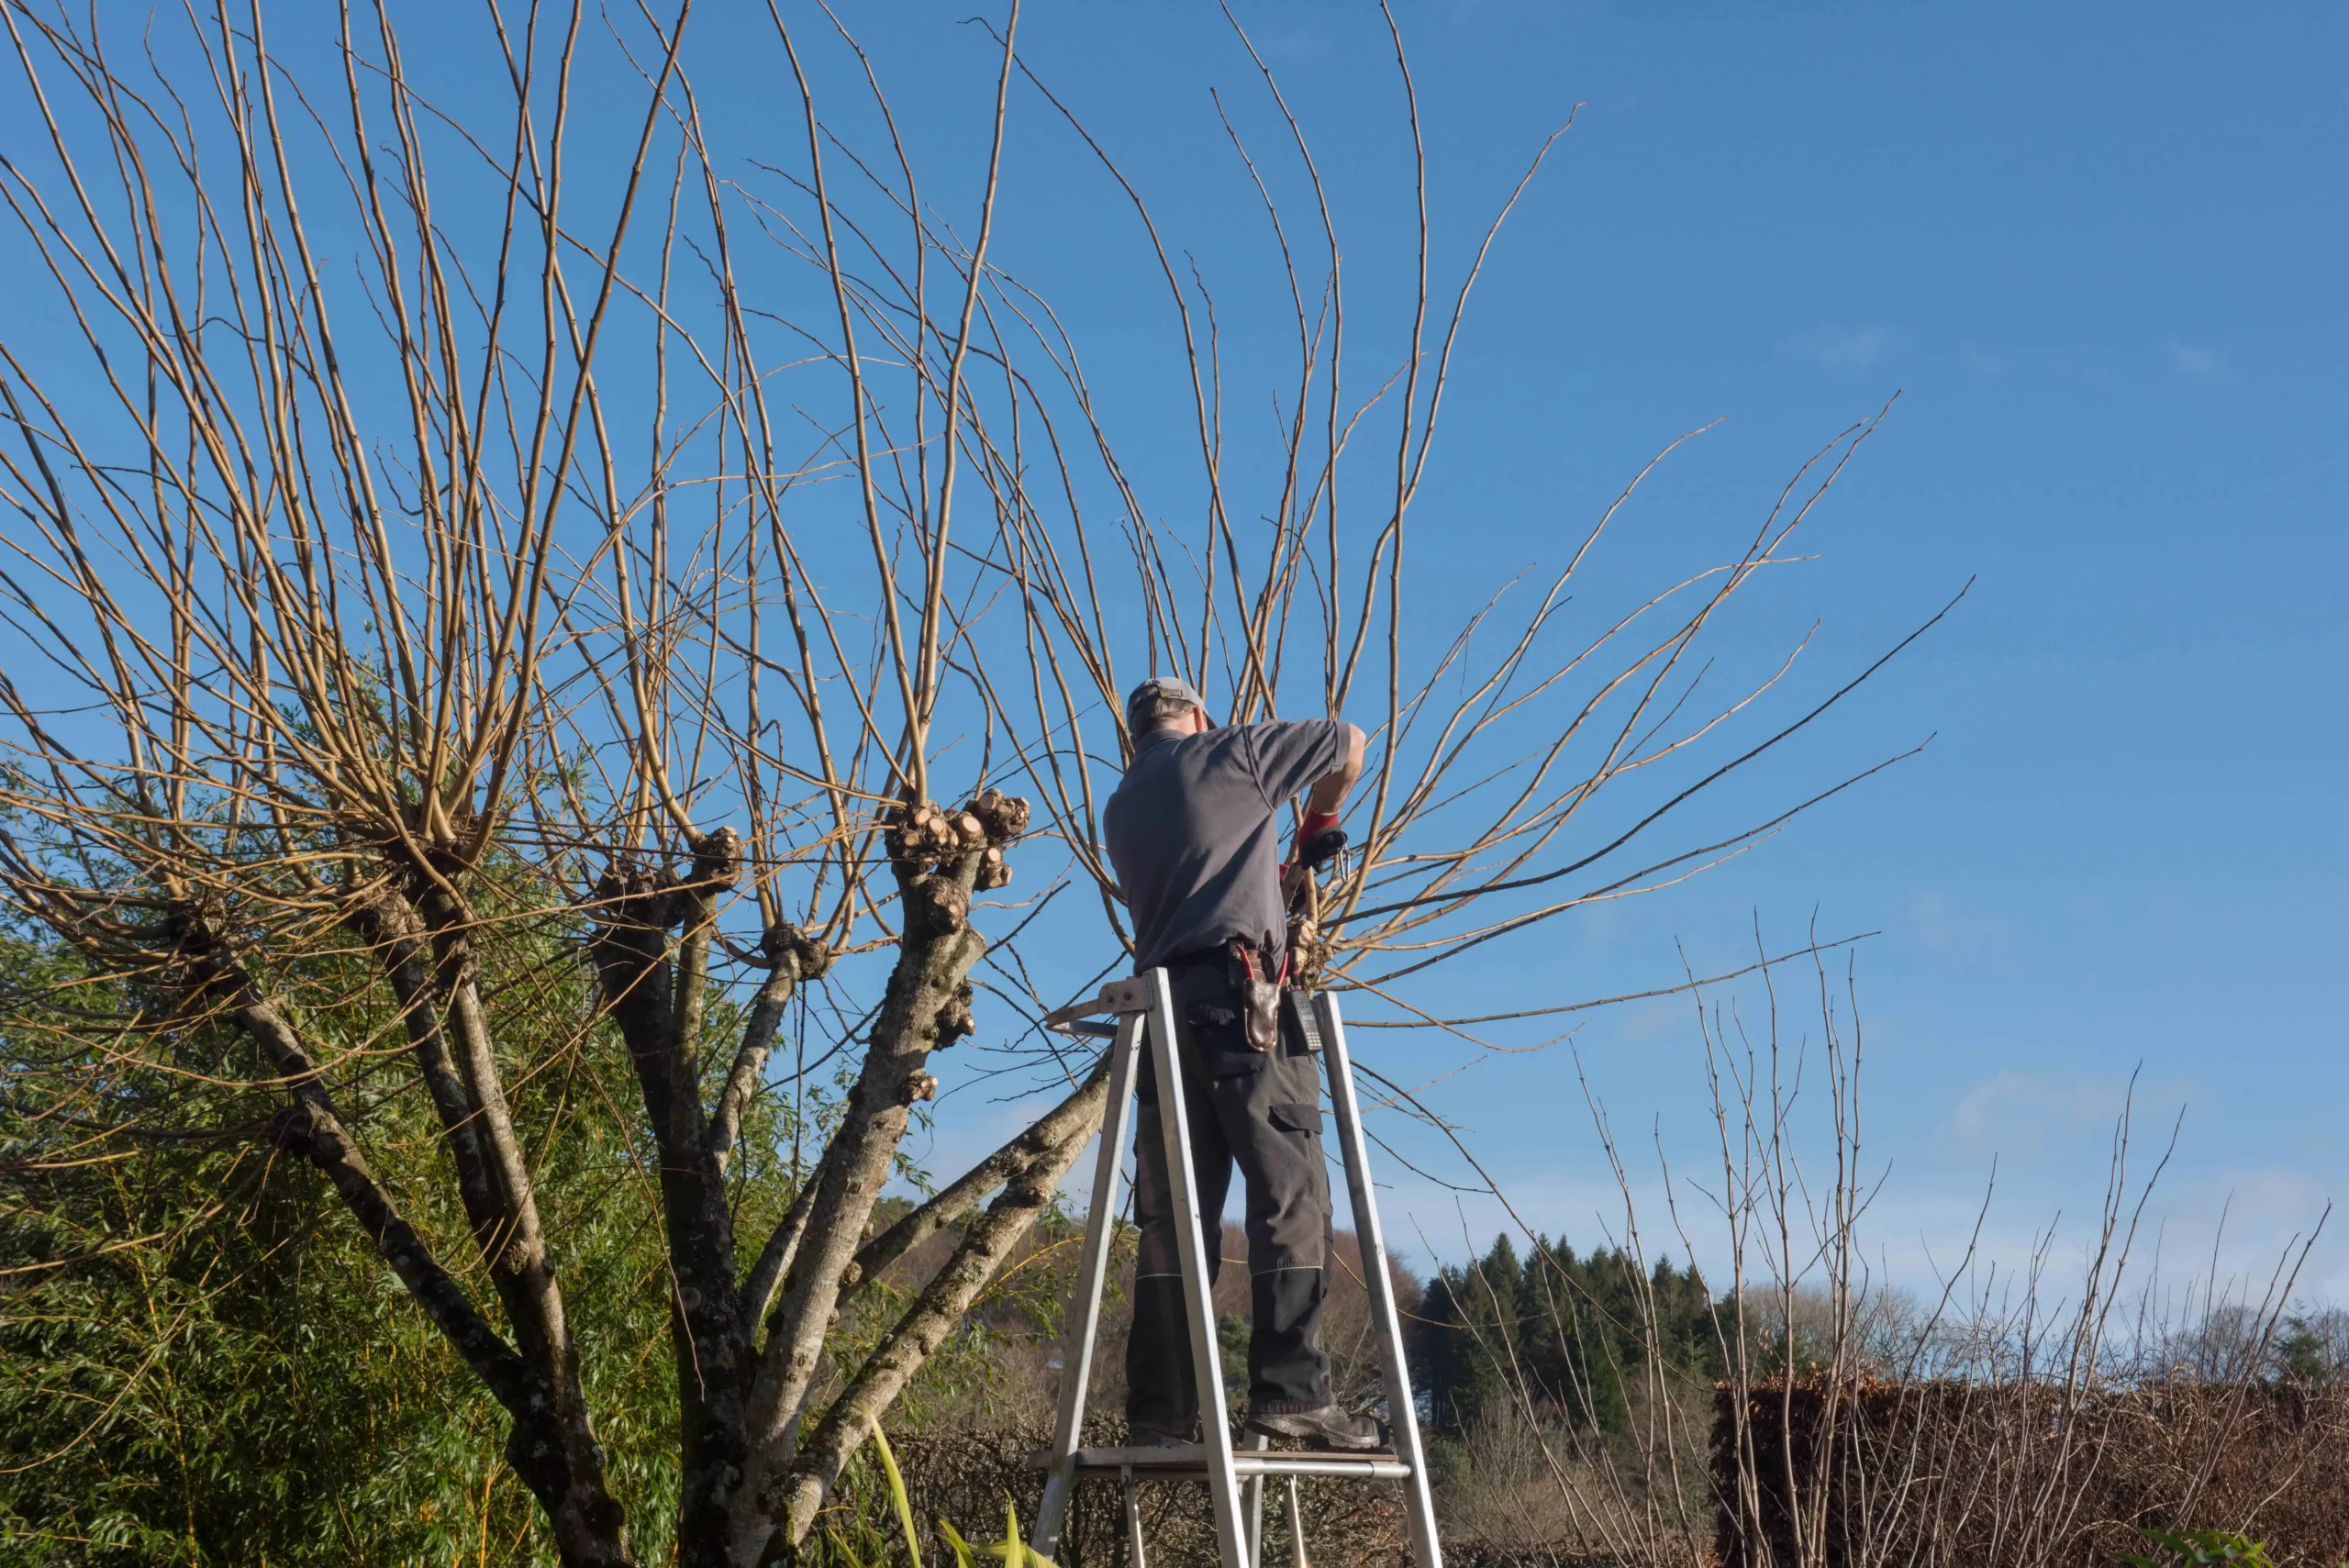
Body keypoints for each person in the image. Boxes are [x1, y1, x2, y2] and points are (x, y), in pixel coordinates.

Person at [1101, 674, 1380, 1451]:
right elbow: (1350, 744)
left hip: (1161, 1019)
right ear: (1198, 717)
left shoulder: (1122, 805)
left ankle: (1161, 1411)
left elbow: (1207, 865)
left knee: (1174, 1220)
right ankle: (1292, 1392)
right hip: (1241, 1007)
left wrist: (1276, 872)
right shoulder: (1230, 755)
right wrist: (1317, 823)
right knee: (1291, 1193)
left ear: (1136, 734)